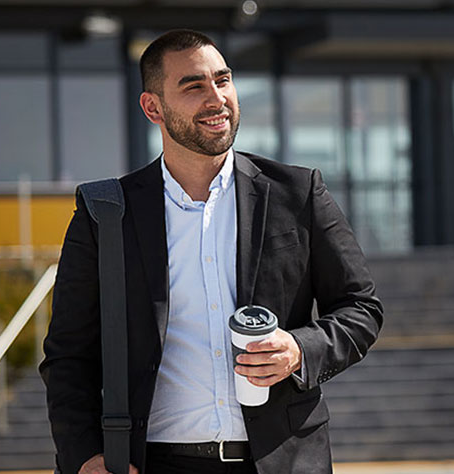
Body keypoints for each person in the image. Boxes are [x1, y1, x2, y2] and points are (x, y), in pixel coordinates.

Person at [40, 29, 382, 474]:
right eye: (194, 86)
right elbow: (68, 353)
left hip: (282, 461)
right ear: (152, 108)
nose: (217, 98)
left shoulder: (298, 194)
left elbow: (361, 308)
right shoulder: (105, 214)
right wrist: (84, 456)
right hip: (154, 463)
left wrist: (299, 349)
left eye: (223, 80)